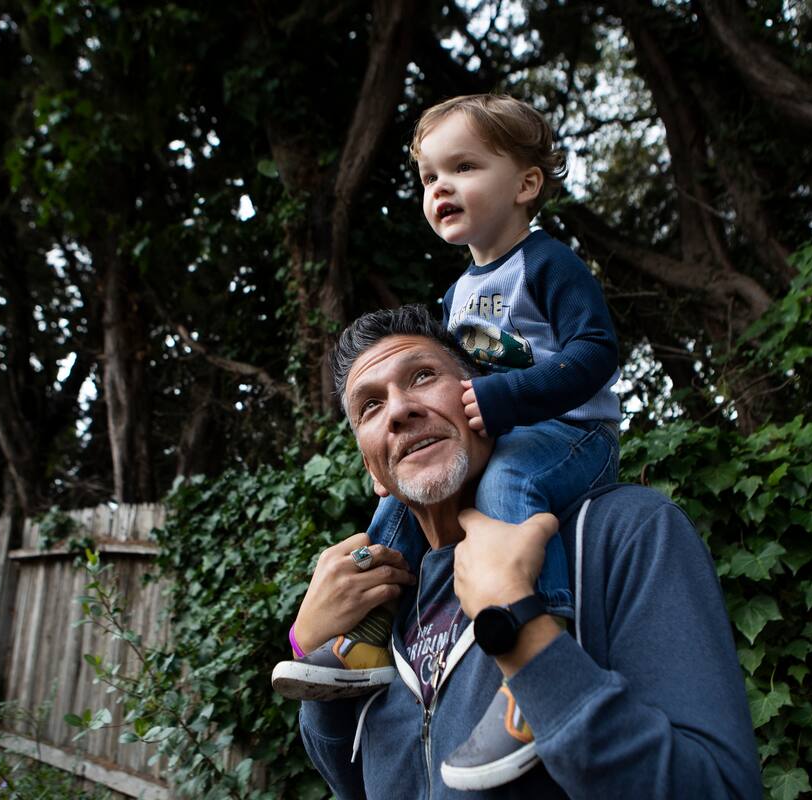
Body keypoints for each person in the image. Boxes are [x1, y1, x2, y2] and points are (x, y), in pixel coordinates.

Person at [273, 93, 622, 789]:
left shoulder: (546, 263)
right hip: (511, 430)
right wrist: (305, 638)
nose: (441, 187)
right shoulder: (460, 292)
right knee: (388, 515)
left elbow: (597, 352)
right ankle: (364, 641)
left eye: (463, 167)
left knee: (508, 483)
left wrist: (502, 399)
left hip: (570, 432)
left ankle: (530, 661)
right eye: (430, 176)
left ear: (526, 183)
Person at [288, 306, 762, 798]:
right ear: (372, 471)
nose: (398, 410)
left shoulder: (624, 533)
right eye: (370, 405)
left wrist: (524, 634)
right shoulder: (377, 611)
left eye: (423, 376)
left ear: (488, 401)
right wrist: (313, 654)